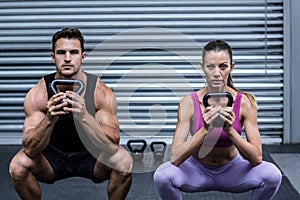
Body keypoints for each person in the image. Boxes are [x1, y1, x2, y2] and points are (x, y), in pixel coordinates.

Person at [9, 27, 133, 200]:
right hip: (52, 159)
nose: (67, 58)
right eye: (61, 52)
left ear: (83, 56)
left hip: (91, 156)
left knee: (123, 161)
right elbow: (30, 149)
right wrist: (49, 118)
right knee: (18, 165)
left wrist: (84, 116)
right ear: (53, 57)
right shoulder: (39, 94)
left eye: (73, 52)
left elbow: (112, 146)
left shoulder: (100, 92)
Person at [154, 40, 282, 200]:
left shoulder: (244, 102)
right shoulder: (188, 103)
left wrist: (230, 131)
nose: (216, 73)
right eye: (210, 67)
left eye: (223, 66)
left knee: (272, 175)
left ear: (231, 67)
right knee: (162, 176)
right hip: (196, 171)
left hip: (232, 171)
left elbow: (256, 158)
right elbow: (175, 157)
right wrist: (205, 130)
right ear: (202, 68)